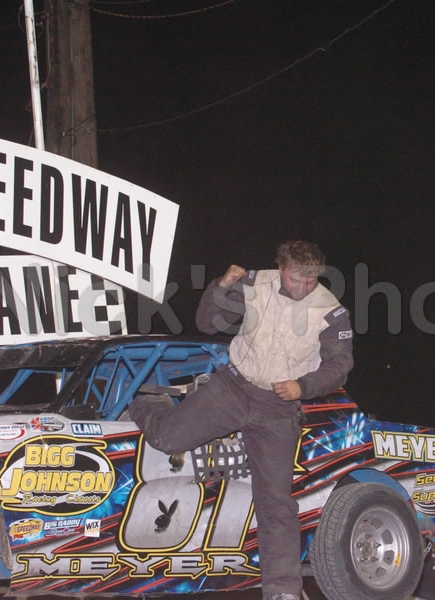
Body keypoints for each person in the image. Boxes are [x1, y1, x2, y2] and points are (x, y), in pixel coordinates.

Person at [130, 241, 354, 600]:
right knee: (168, 439)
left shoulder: (331, 311)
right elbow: (207, 324)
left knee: (276, 501)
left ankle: (283, 590)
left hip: (279, 407)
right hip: (233, 387)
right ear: (282, 269)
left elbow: (339, 366)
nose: (304, 286)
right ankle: (147, 403)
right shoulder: (253, 284)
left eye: (312, 279)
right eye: (297, 278)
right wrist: (220, 288)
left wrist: (303, 386)